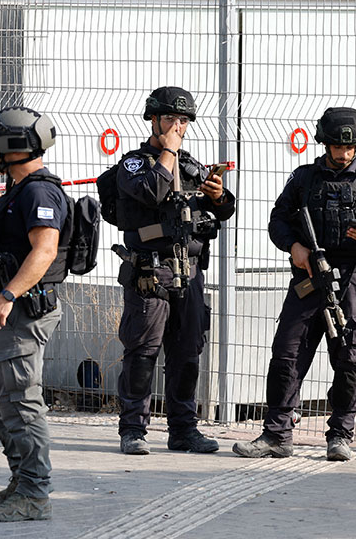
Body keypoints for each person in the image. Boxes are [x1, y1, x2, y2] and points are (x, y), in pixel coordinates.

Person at [113, 87, 235, 455]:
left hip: (190, 272)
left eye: (183, 121)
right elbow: (150, 193)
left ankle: (184, 429)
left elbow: (225, 211)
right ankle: (132, 429)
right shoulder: (135, 164)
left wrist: (217, 196)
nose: (178, 127)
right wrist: (167, 149)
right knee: (142, 351)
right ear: (153, 120)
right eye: (170, 119)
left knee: (187, 354)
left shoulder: (191, 165)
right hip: (151, 273)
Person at [233, 108, 356, 462]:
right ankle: (276, 434)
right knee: (286, 355)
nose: (343, 154)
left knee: (350, 360)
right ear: (324, 143)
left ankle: (340, 435)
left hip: (351, 280)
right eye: (336, 146)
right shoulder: (305, 179)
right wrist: (295, 247)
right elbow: (278, 220)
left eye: (349, 148)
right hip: (308, 277)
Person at [0, 106, 66, 522]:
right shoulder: (17, 190)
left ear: (14, 145)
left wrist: (7, 295)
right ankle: (22, 477)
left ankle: (34, 493)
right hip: (7, 313)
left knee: (21, 403)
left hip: (23, 311)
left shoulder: (40, 193)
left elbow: (44, 251)